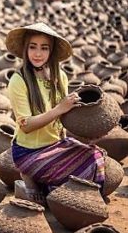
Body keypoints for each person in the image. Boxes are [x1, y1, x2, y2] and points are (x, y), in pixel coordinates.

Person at [6, 22, 105, 205]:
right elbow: (26, 125)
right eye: (32, 47)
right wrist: (60, 108)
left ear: (51, 52)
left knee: (96, 157)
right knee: (73, 178)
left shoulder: (61, 77)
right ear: (25, 50)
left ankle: (45, 186)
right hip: (29, 152)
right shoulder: (18, 81)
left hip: (56, 144)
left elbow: (64, 117)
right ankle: (29, 176)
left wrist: (87, 130)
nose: (38, 53)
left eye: (44, 48)